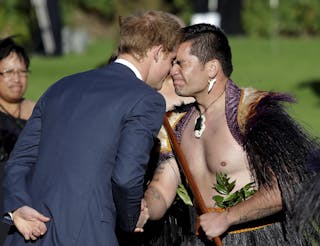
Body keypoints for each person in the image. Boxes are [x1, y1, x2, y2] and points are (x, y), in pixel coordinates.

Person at [1, 10, 182, 246]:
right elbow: (126, 178)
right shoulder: (146, 99)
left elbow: (19, 162)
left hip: (30, 234)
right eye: (171, 60)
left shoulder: (61, 86)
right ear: (158, 52)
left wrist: (18, 206)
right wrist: (132, 219)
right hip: (89, 235)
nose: (170, 70)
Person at [143, 23, 319, 245]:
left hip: (259, 239)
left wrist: (227, 217)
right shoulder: (175, 125)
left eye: (181, 63)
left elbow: (288, 185)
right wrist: (146, 208)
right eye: (172, 63)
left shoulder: (251, 114)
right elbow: (162, 188)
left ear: (212, 69)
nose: (172, 70)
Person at [0, 36, 35, 244]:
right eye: (9, 72)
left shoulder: (38, 109)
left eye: (22, 72)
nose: (17, 78)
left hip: (32, 195)